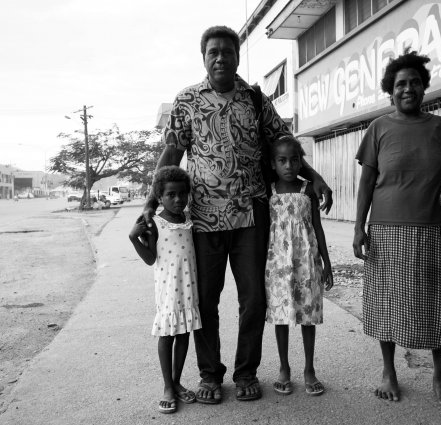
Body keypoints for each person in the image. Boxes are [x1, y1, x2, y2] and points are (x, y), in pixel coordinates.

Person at [142, 25, 332, 404]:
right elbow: (171, 155)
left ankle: (247, 371)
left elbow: (283, 143)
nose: (220, 58)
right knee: (206, 300)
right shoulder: (187, 101)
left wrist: (315, 175)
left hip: (251, 216)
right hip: (206, 218)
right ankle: (210, 375)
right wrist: (150, 201)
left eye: (227, 52)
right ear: (204, 58)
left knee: (255, 299)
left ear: (237, 57)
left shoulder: (255, 99)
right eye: (213, 52)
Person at [352, 50, 441, 407]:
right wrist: (359, 227)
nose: (408, 88)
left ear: (424, 87)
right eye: (401, 83)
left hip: (433, 228)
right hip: (387, 230)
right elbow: (366, 181)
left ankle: (440, 377)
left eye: (415, 82)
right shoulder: (379, 128)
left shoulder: (439, 127)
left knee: (436, 301)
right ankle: (389, 372)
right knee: (388, 302)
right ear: (391, 90)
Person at [264, 136, 334, 397]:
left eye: (294, 160)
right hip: (277, 264)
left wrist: (327, 263)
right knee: (281, 317)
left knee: (307, 317)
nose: (289, 165)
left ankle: (309, 369)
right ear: (273, 163)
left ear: (301, 161)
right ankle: (284, 368)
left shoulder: (308, 191)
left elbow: (317, 227)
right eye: (282, 160)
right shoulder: (268, 191)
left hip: (306, 261)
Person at [129, 166, 202, 414]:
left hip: (189, 287)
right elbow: (150, 259)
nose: (178, 199)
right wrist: (133, 239)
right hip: (168, 288)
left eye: (182, 194)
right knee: (167, 336)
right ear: (159, 197)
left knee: (183, 334)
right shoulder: (155, 223)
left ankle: (177, 380)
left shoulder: (190, 219)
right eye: (171, 195)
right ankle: (167, 387)